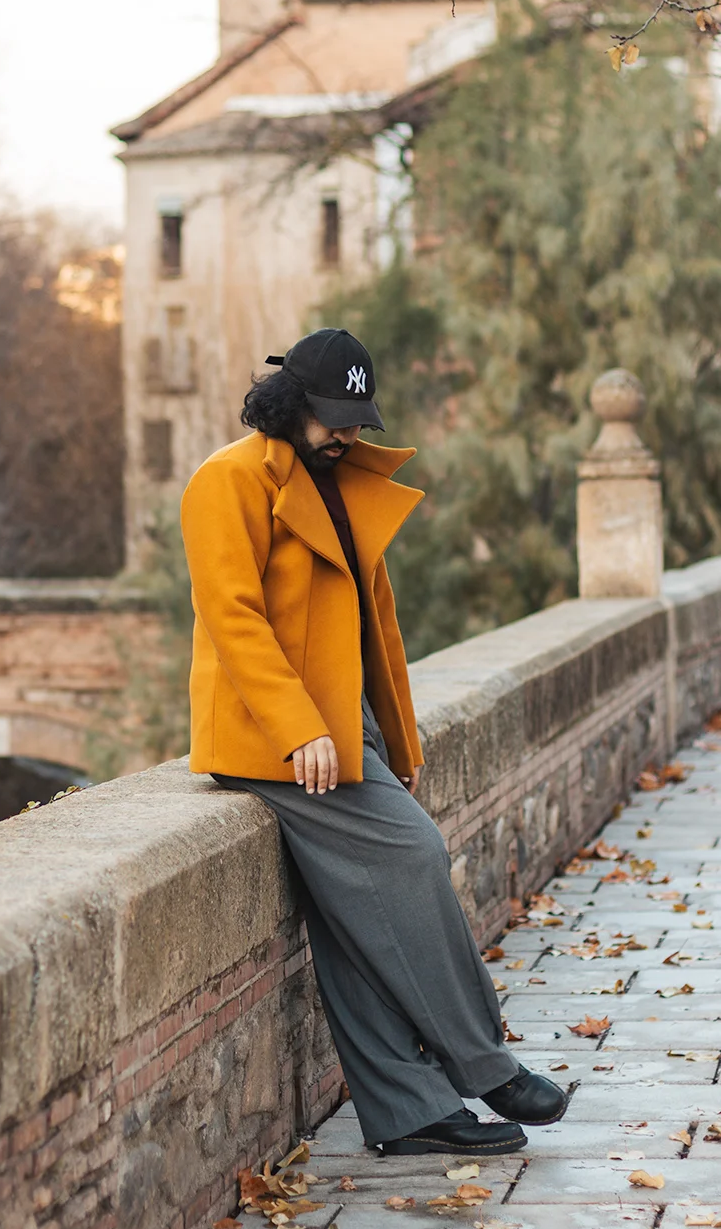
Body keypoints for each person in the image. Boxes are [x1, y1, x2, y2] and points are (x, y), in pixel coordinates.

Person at [179, 327, 567, 1155]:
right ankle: (485, 1063)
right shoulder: (228, 481)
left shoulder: (338, 481)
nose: (350, 433)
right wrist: (299, 730)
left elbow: (375, 624)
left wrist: (399, 740)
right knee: (415, 856)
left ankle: (410, 1110)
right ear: (289, 404)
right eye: (335, 417)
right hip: (276, 733)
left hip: (343, 724)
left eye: (360, 417)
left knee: (353, 921)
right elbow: (233, 617)